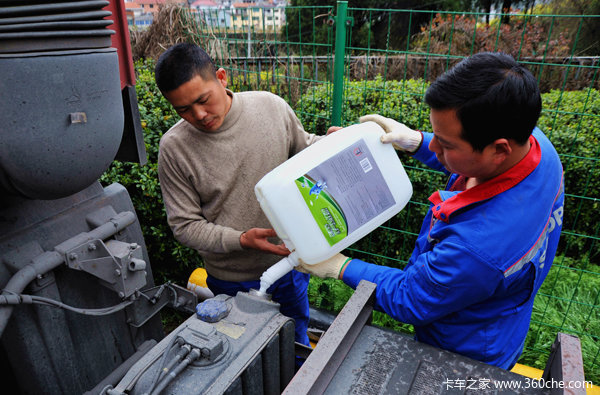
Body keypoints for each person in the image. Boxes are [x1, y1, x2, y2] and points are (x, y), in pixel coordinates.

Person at [299, 52, 564, 369]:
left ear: (499, 149)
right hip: (500, 319)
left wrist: (340, 266)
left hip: (464, 354)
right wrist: (415, 141)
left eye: (446, 145)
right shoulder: (537, 147)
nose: (436, 148)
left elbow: (410, 297)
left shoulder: (477, 249)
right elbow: (474, 157)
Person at [155, 43, 321, 348]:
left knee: (295, 339)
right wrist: (241, 239)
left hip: (290, 265)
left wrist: (334, 145)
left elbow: (305, 150)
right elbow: (184, 225)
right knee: (241, 351)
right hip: (231, 279)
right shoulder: (174, 148)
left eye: (203, 100)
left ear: (222, 77)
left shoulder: (271, 107)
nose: (199, 115)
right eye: (183, 110)